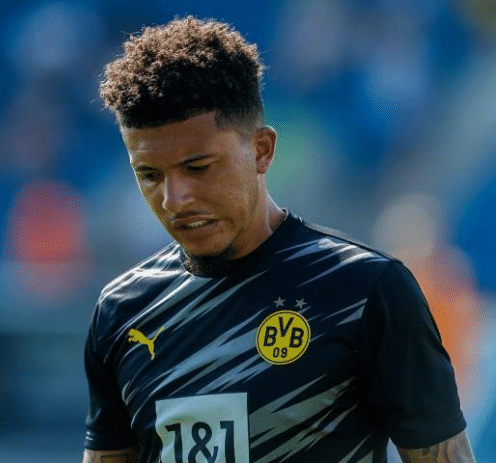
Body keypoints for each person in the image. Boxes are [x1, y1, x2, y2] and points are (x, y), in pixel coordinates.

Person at [82, 16, 476, 463]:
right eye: (150, 175)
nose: (175, 199)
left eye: (198, 167)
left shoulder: (365, 291)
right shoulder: (122, 312)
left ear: (262, 150)